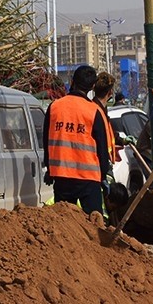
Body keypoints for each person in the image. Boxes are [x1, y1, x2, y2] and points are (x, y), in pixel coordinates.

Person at [42, 65, 111, 216]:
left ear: (72, 81)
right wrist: (104, 175)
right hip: (89, 178)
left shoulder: (54, 107)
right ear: (92, 86)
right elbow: (102, 148)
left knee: (65, 222)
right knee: (93, 222)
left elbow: (46, 141)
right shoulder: (94, 111)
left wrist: (49, 169)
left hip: (61, 176)